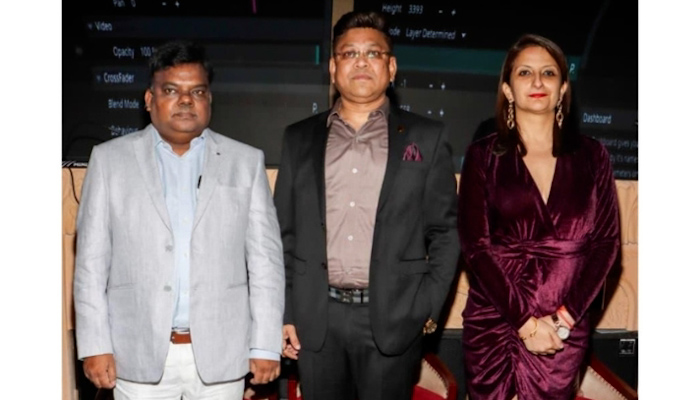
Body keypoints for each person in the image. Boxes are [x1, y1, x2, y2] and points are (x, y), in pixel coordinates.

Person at [73, 41, 285, 399]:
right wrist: (94, 344)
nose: (186, 100)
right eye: (171, 90)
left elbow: (266, 263)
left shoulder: (245, 162)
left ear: (209, 100)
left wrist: (265, 344)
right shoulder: (109, 161)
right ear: (149, 99)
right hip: (135, 354)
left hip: (222, 356)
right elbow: (90, 265)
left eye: (197, 91)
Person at [273, 11, 460, 400]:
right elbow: (282, 235)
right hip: (316, 320)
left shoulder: (427, 137)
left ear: (391, 68)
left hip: (393, 320)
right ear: (333, 67)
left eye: (373, 53)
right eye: (349, 53)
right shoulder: (298, 139)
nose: (361, 62)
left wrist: (426, 310)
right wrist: (285, 313)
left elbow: (446, 232)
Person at [458, 34, 621, 399]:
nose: (537, 81)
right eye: (524, 72)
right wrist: (525, 323)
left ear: (562, 89)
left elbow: (606, 245)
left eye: (548, 73)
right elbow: (475, 247)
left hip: (564, 326)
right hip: (496, 319)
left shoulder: (593, 156)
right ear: (507, 89)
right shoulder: (483, 156)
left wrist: (563, 318)